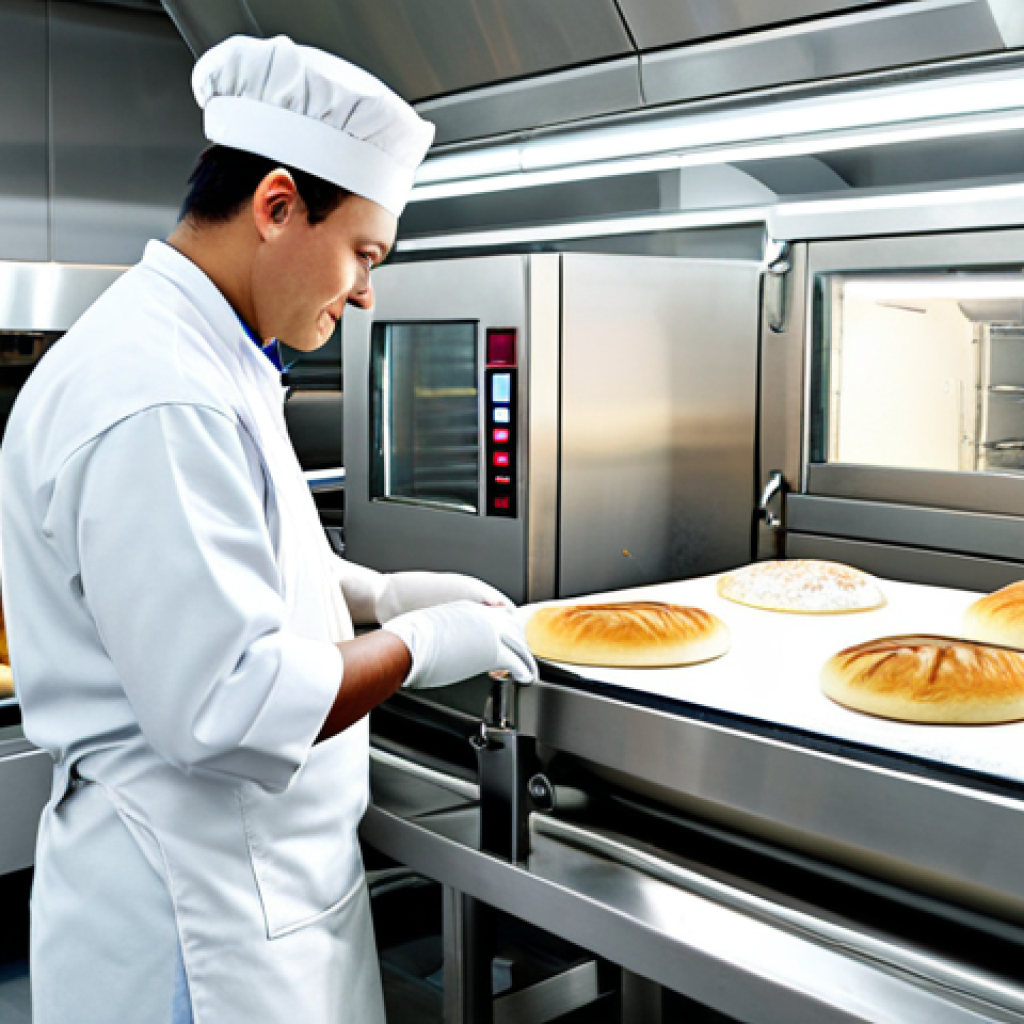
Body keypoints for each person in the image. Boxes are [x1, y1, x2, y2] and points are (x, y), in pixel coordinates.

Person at [0, 34, 536, 1024]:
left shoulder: (208, 358)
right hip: (195, 933)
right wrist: (419, 646)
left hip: (251, 893)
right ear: (278, 205)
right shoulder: (159, 391)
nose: (368, 290)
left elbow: (241, 565)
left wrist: (369, 593)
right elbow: (227, 701)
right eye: (363, 253)